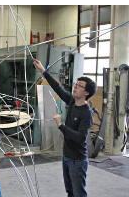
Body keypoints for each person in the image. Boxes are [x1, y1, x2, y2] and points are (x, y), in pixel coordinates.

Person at [33, 59, 97, 197]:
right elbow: (57, 88)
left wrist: (60, 125)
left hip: (77, 160)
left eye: (80, 86)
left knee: (79, 193)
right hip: (67, 156)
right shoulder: (72, 102)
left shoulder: (87, 113)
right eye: (76, 84)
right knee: (70, 192)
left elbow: (80, 138)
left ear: (86, 93)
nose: (75, 87)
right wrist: (43, 70)